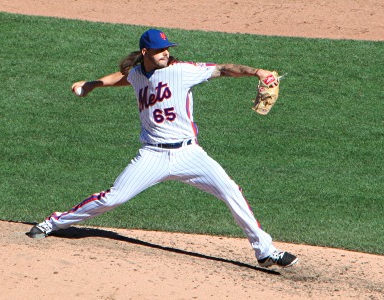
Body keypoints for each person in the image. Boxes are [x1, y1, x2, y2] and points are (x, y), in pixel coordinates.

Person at [28, 28, 298, 268]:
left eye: (168, 48)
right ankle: (53, 222)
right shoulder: (137, 73)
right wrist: (92, 84)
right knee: (114, 198)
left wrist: (257, 72)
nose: (166, 53)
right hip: (153, 155)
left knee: (231, 190)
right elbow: (124, 77)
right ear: (146, 51)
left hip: (189, 154)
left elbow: (224, 69)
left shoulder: (181, 71)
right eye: (160, 50)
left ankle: (266, 251)